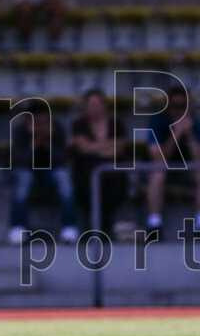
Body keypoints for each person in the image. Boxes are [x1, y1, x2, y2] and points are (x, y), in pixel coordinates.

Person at [145, 86, 200, 240]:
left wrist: (189, 134)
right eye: (176, 106)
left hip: (187, 171)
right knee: (157, 172)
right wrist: (176, 133)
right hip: (164, 169)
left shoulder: (197, 123)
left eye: (184, 107)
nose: (179, 111)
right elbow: (158, 157)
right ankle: (154, 224)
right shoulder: (157, 122)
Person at [7, 100, 80, 245]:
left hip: (52, 171)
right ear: (29, 120)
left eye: (45, 121)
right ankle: (17, 226)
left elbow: (61, 159)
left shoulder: (57, 130)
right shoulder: (20, 131)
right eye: (37, 121)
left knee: (64, 177)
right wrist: (34, 142)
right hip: (28, 171)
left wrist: (47, 142)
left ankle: (69, 227)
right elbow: (20, 160)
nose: (41, 125)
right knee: (23, 179)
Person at [71, 88, 129, 235]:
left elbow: (119, 149)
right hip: (86, 172)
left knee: (116, 186)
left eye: (98, 104)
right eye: (91, 105)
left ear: (105, 105)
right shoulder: (79, 124)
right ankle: (99, 226)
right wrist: (107, 145)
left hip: (113, 172)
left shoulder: (116, 123)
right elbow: (83, 148)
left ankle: (101, 225)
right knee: (85, 186)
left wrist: (94, 147)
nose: (94, 108)